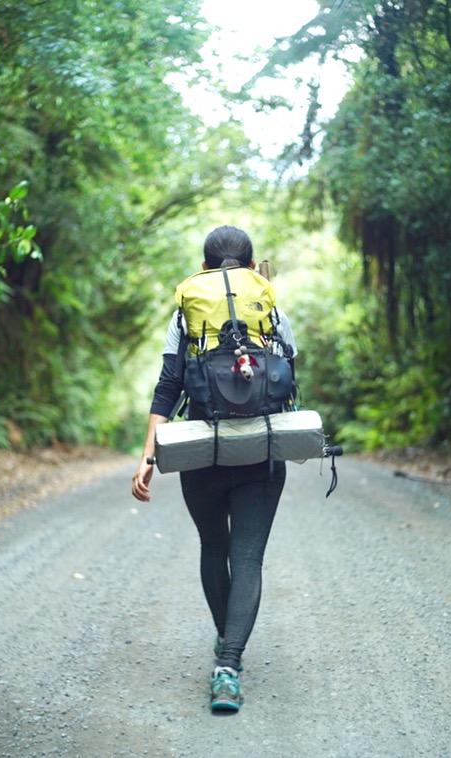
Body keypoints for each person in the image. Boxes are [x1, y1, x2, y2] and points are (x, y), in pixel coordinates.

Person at [131, 225, 297, 713]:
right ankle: (229, 665)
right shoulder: (270, 307)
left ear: (204, 269)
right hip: (261, 452)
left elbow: (167, 387)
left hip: (202, 452)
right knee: (248, 559)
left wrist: (148, 456)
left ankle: (227, 642)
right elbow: (288, 377)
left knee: (214, 546)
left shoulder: (187, 311)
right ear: (250, 268)